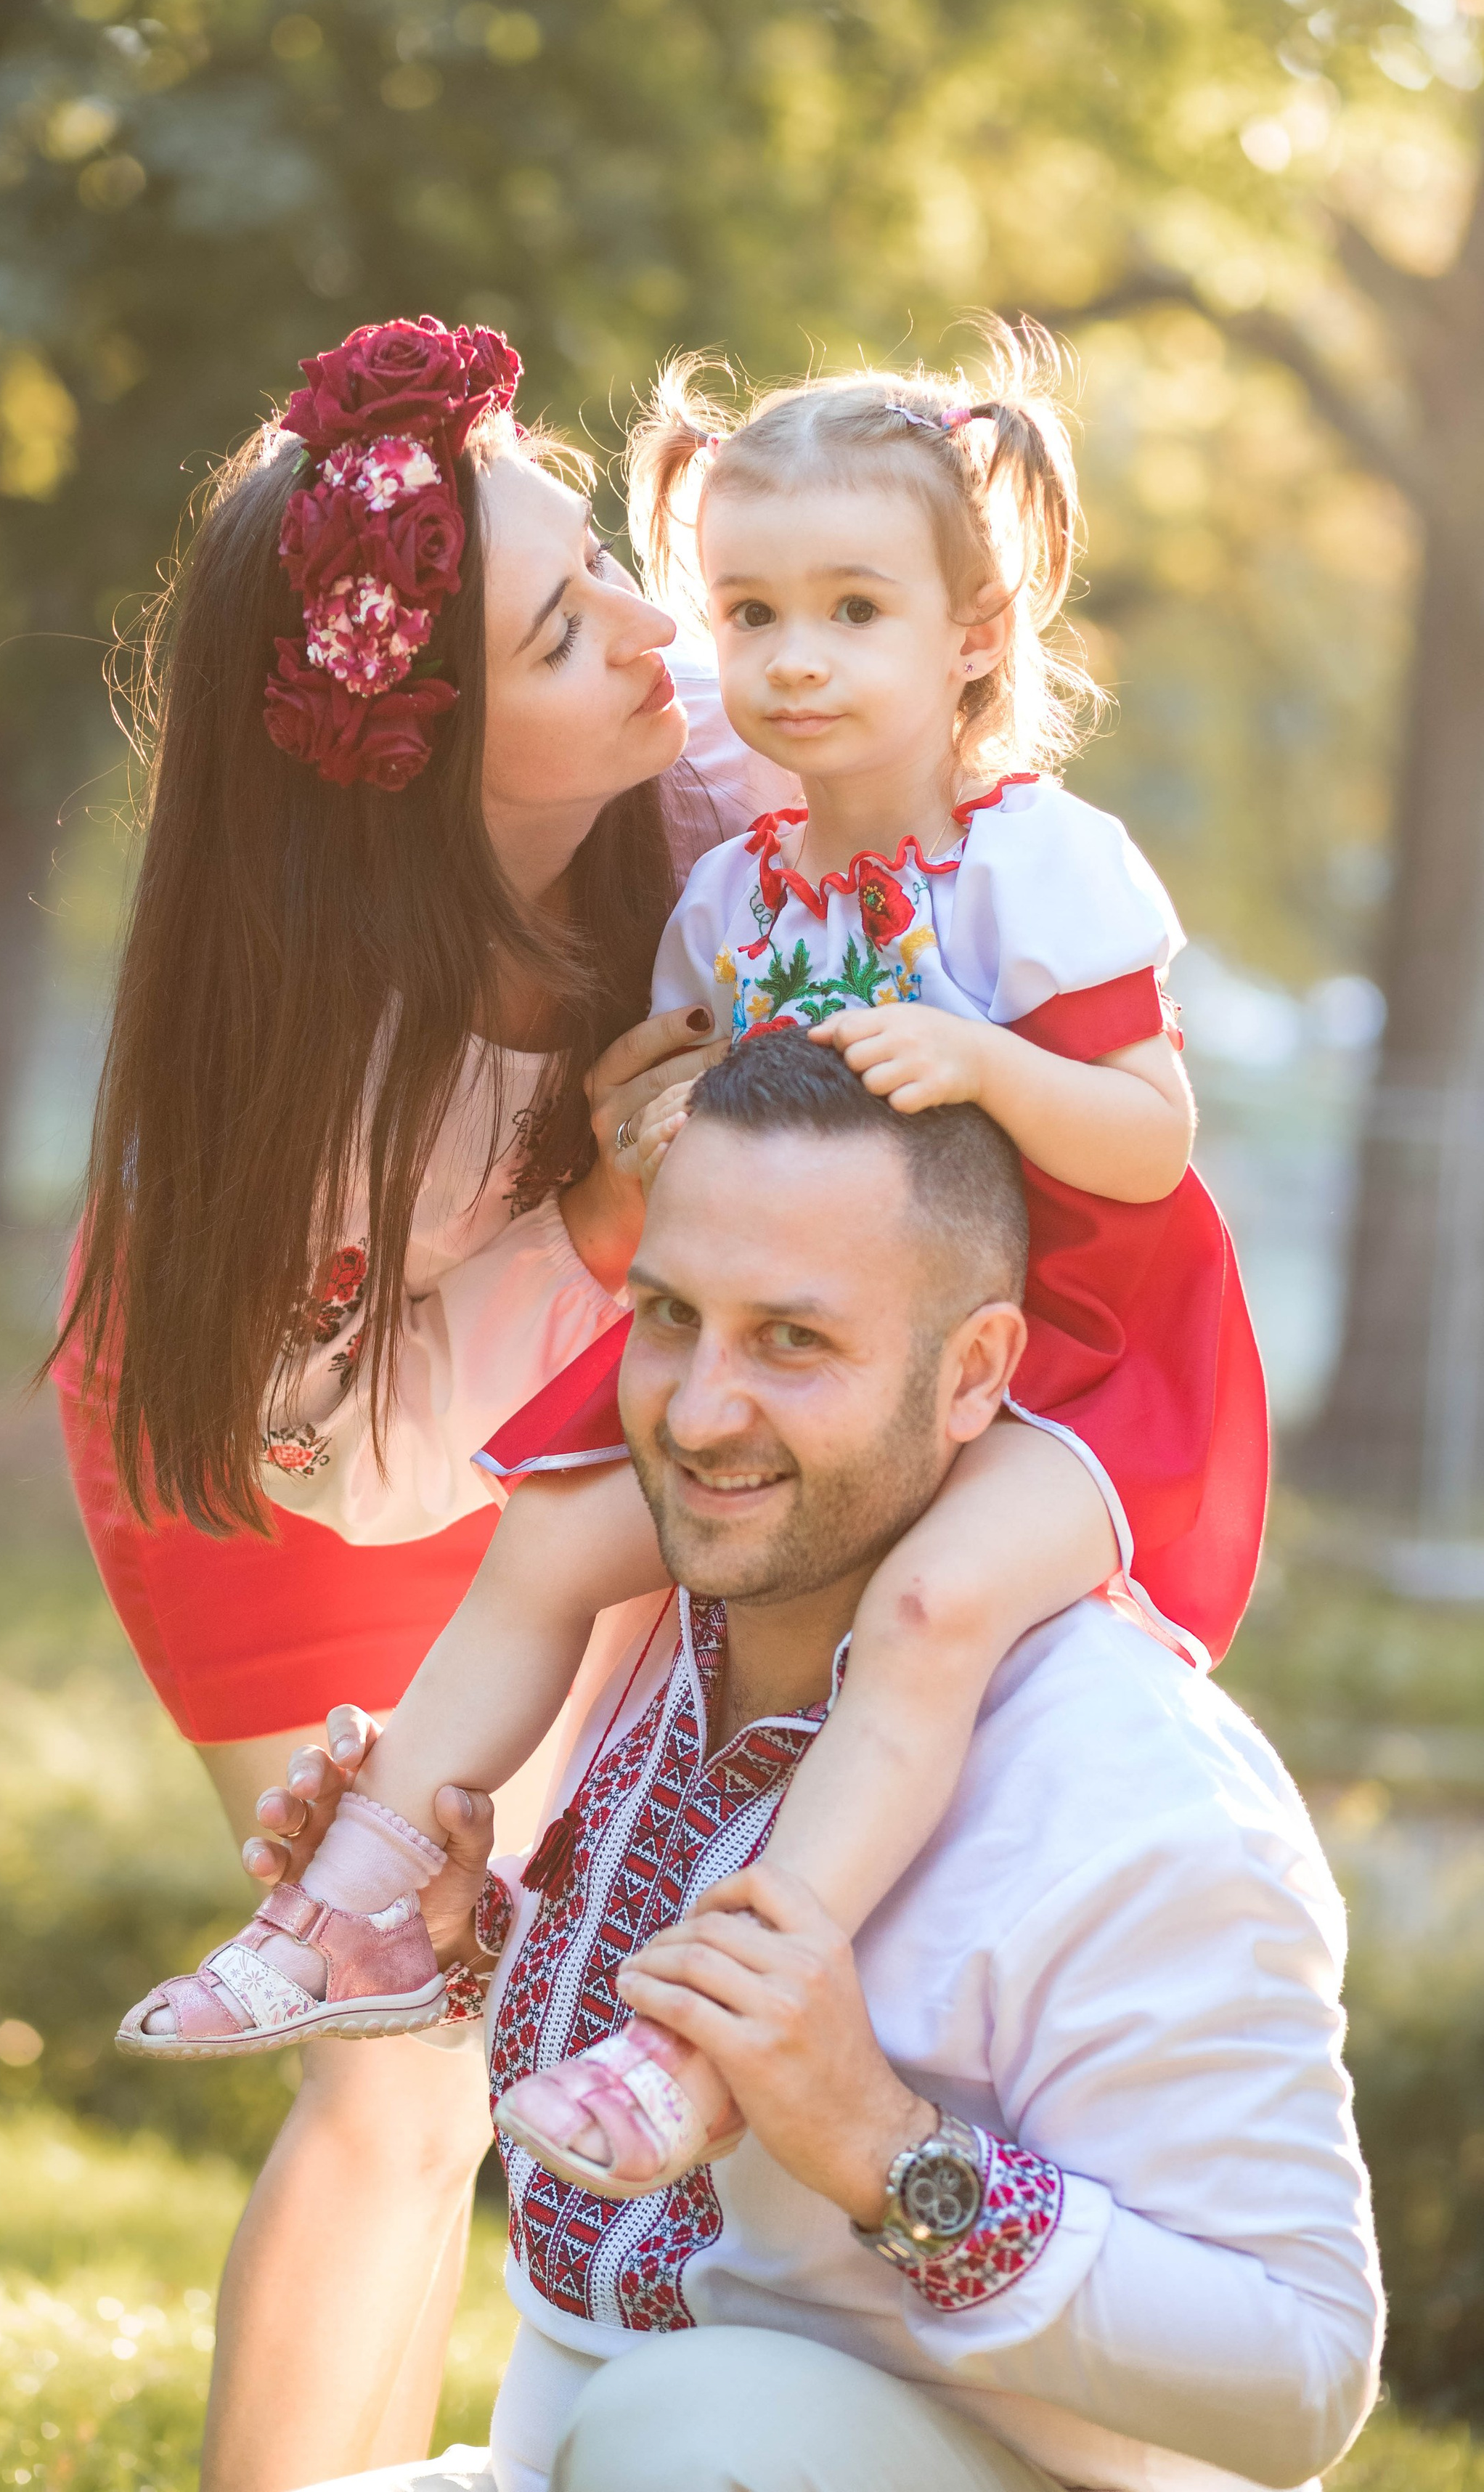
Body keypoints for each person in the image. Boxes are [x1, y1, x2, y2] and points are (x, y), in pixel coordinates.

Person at [123, 333, 1267, 2205]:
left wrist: (976, 1061)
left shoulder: (975, 839)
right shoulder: (702, 910)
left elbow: (1145, 1133)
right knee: (545, 1545)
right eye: (728, 611)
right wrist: (617, 1173)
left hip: (1057, 1347)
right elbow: (381, 1421)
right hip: (666, 1350)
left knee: (905, 1634)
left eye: (622, 581)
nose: (740, 653)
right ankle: (351, 1915)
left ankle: (706, 2036)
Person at [258, 1030, 1380, 2492]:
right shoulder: (672, 1634)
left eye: (792, 1340)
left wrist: (877, 2143)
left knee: (697, 2433)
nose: (699, 1410)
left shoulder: (1134, 1796)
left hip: (775, 2464)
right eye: (668, 1317)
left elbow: (1301, 2374)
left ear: (973, 1370)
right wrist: (472, 1945)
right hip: (570, 2462)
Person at [51, 316, 795, 2492]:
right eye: (578, 629)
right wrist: (589, 1226)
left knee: (494, 2016)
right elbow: (351, 1463)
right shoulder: (329, 1043)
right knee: (396, 2064)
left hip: (542, 1438)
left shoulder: (687, 784)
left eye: (604, 565)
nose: (663, 631)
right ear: (440, 755)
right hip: (259, 1455)